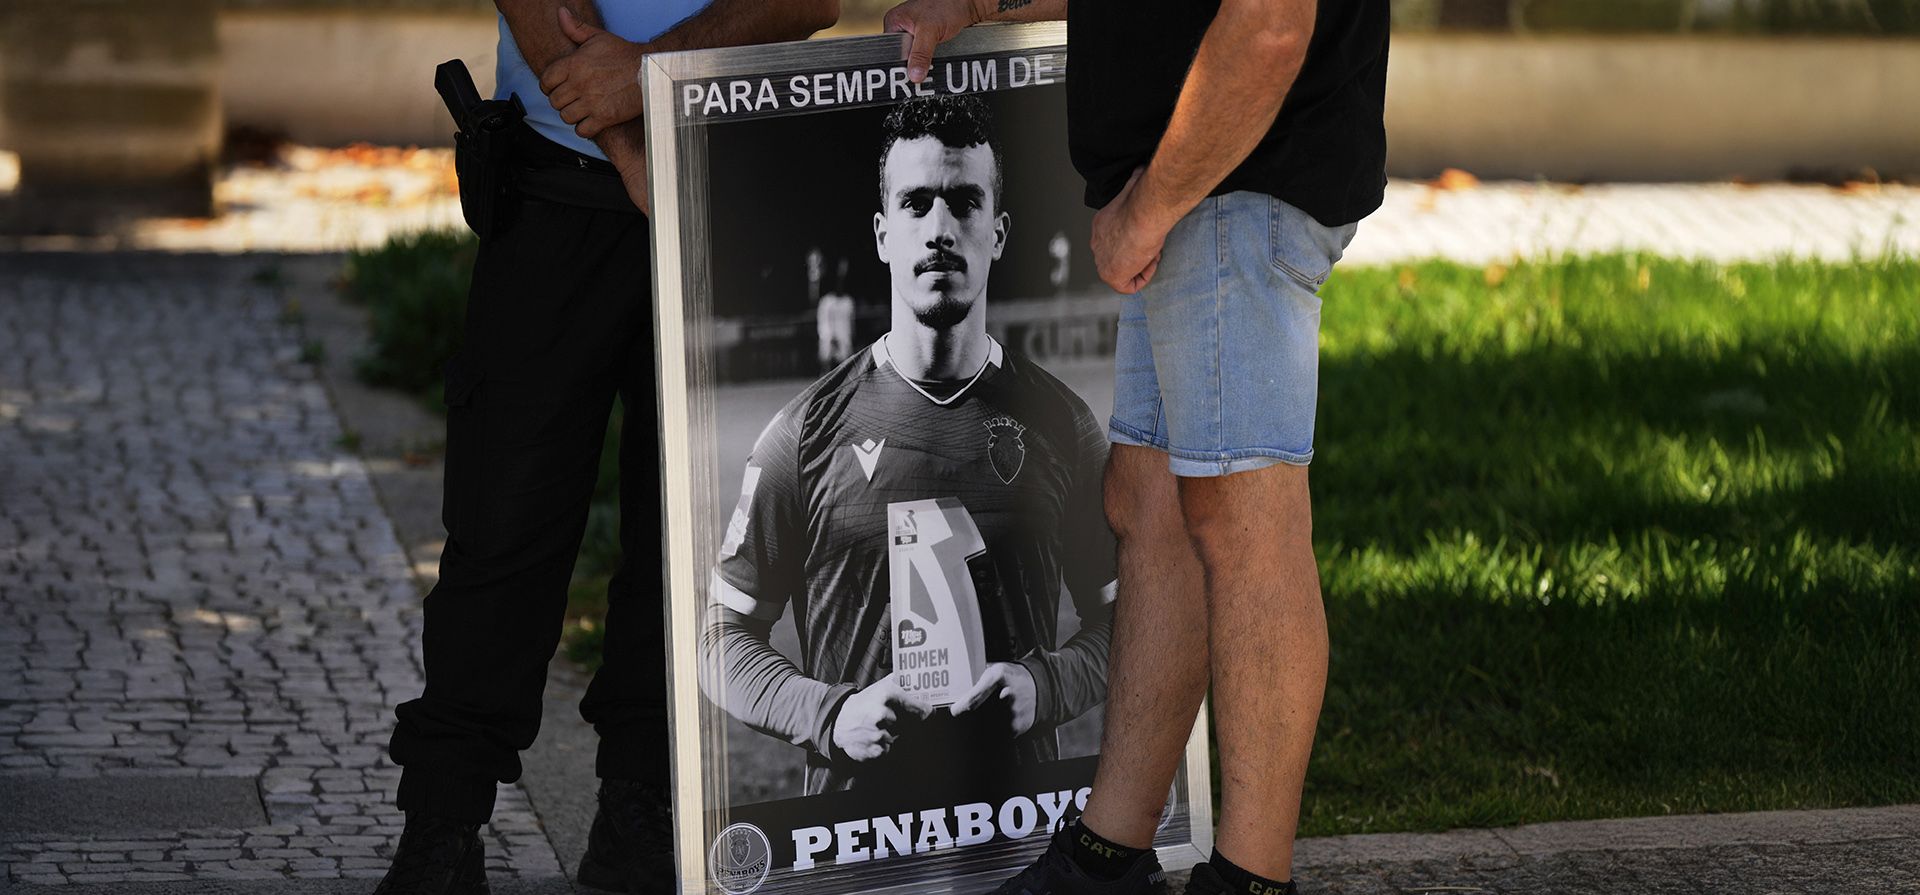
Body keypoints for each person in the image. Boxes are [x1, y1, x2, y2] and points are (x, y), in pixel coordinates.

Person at [880, 1, 1389, 893]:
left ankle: (1250, 879)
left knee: (1242, 520)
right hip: (1195, 181)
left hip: (1233, 177)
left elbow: (1271, 19)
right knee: (1151, 504)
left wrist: (1151, 206)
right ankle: (1106, 859)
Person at [374, 2, 839, 894]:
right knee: (501, 520)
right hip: (555, 186)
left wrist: (644, 72)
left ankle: (643, 811)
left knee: (694, 531)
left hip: (728, 169)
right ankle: (444, 819)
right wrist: (629, 141)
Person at [701, 95, 1116, 797]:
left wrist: (1047, 686)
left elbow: (1130, 622)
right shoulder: (802, 435)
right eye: (916, 203)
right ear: (883, 232)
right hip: (859, 844)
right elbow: (720, 640)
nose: (941, 229)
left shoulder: (1064, 426)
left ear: (999, 230)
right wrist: (830, 712)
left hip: (1014, 838)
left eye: (963, 202)